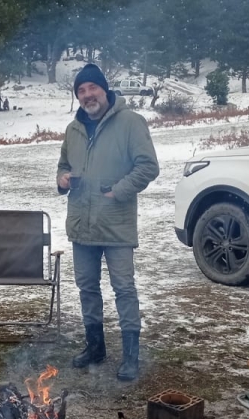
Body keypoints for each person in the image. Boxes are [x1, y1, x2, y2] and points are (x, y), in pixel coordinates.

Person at [56, 63, 159, 382]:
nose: (87, 95)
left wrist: (118, 192)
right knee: (87, 288)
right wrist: (61, 180)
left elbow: (148, 167)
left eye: (92, 88)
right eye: (81, 91)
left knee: (124, 289)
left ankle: (131, 356)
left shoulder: (130, 122)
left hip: (115, 224)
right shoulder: (73, 129)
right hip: (82, 226)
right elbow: (63, 165)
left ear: (105, 89)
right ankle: (95, 347)